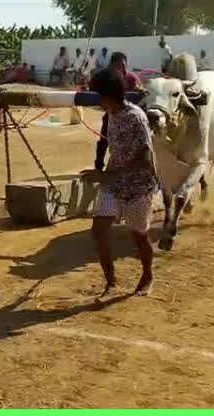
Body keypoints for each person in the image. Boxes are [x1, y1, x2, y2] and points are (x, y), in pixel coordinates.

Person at [81, 68, 159, 301]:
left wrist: (108, 175)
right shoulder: (110, 115)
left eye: (99, 95)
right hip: (113, 184)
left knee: (139, 237)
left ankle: (147, 276)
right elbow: (111, 148)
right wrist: (103, 172)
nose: (98, 100)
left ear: (110, 94)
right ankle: (111, 283)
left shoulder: (136, 117)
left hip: (138, 186)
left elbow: (145, 159)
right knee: (99, 231)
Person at [94, 52, 142, 171]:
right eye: (118, 65)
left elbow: (140, 91)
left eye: (124, 65)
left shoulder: (131, 79)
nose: (122, 68)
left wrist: (140, 90)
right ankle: (99, 165)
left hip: (129, 116)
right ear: (112, 65)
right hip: (111, 113)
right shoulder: (105, 77)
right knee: (104, 138)